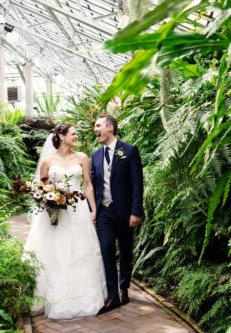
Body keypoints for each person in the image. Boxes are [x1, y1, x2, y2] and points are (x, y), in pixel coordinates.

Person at [24, 122, 107, 319]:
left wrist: (93, 209)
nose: (76, 137)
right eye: (73, 134)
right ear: (62, 136)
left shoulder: (82, 158)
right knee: (56, 251)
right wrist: (49, 202)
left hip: (78, 212)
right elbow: (40, 189)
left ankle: (84, 298)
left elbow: (87, 185)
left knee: (80, 251)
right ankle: (52, 298)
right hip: (56, 213)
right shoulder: (47, 161)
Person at [90, 114, 144, 314]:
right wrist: (92, 210)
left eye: (98, 125)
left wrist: (135, 212)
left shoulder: (129, 150)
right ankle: (112, 296)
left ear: (110, 127)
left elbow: (137, 183)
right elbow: (93, 185)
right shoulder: (95, 155)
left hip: (124, 211)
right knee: (106, 250)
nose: (95, 129)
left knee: (125, 251)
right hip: (104, 211)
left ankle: (124, 287)